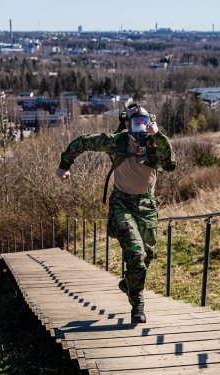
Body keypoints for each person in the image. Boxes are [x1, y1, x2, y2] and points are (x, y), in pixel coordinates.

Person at [56, 104, 176, 323]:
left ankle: (128, 283)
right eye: (135, 123)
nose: (140, 127)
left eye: (144, 122)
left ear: (150, 122)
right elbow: (83, 141)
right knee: (136, 254)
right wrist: (65, 165)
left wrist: (157, 136)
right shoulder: (116, 142)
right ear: (127, 124)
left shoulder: (155, 143)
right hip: (122, 204)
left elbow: (170, 164)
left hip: (147, 204)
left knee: (147, 255)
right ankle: (137, 305)